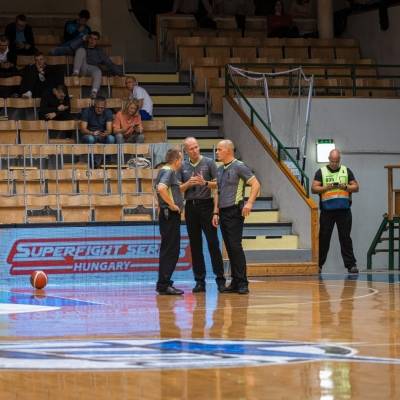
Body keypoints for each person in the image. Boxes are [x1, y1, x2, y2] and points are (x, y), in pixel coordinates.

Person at [178, 137, 226, 293]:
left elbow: (218, 185)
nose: (195, 150)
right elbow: (178, 189)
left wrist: (204, 183)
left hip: (207, 205)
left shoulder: (209, 162)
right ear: (186, 151)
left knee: (213, 243)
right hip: (190, 207)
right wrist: (188, 184)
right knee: (195, 245)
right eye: (191, 148)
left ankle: (220, 280)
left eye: (196, 147)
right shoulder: (182, 166)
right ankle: (200, 281)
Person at [213, 140, 260, 294]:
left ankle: (242, 282)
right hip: (223, 212)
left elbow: (256, 184)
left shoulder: (239, 166)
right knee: (229, 248)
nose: (217, 152)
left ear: (228, 150)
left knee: (235, 246)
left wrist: (249, 203)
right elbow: (217, 191)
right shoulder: (220, 169)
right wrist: (216, 212)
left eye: (219, 149)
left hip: (234, 211)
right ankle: (234, 281)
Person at [311, 149, 359, 274]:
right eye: (332, 161)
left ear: (339, 160)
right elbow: (314, 188)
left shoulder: (346, 170)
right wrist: (326, 187)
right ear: (329, 159)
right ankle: (318, 265)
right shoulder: (321, 172)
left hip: (344, 211)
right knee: (324, 238)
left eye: (336, 161)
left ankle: (351, 265)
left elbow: (356, 187)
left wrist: (345, 187)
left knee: (345, 238)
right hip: (327, 211)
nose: (334, 163)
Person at [155, 148, 185, 295]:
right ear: (177, 160)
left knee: (168, 249)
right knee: (171, 250)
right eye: (182, 159)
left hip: (165, 215)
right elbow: (161, 188)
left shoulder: (162, 170)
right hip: (170, 215)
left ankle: (163, 283)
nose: (182, 162)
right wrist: (172, 205)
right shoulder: (169, 172)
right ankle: (164, 284)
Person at [73, 31, 123, 98]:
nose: (92, 41)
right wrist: (82, 39)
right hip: (82, 67)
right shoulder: (82, 46)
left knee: (98, 71)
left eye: (95, 39)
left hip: (93, 68)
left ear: (97, 41)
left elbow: (109, 63)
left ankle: (94, 92)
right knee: (80, 50)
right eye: (91, 38)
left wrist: (120, 73)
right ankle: (75, 73)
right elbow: (71, 46)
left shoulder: (99, 51)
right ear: (88, 39)